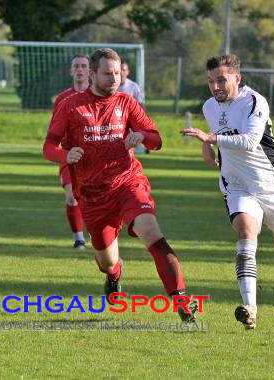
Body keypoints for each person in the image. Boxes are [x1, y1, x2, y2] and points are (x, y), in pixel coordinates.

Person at [44, 48, 198, 322]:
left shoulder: (126, 103)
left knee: (152, 231)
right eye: (107, 73)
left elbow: (157, 140)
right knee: (107, 262)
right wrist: (65, 155)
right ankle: (114, 275)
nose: (114, 78)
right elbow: (48, 146)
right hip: (92, 196)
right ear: (92, 74)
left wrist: (141, 135)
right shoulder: (71, 105)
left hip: (127, 184)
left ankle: (182, 301)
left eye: (117, 73)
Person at [181, 54, 274, 330]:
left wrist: (210, 138)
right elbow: (216, 141)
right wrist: (208, 147)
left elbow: (249, 141)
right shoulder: (210, 106)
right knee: (246, 235)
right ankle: (250, 308)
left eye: (221, 80)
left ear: (238, 78)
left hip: (271, 187)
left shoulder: (254, 101)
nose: (215, 87)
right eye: (211, 81)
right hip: (236, 185)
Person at [52, 55, 90, 249]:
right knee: (71, 196)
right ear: (71, 71)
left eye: (84, 66)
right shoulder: (62, 98)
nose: (80, 70)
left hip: (94, 155)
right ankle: (79, 239)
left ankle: (101, 235)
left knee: (93, 198)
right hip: (68, 154)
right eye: (76, 66)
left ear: (90, 71)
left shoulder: (98, 97)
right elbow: (54, 130)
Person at [118, 61, 148, 154]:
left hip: (129, 123)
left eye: (124, 70)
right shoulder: (111, 86)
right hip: (114, 122)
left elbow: (141, 105)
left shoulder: (133, 86)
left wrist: (141, 123)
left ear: (127, 72)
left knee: (128, 150)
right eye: (120, 70)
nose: (122, 72)